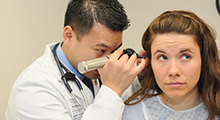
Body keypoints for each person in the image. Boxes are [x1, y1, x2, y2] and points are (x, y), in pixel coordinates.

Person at [5, 0, 147, 120]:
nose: (109, 61)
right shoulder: (33, 90)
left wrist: (138, 82)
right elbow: (108, 103)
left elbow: (117, 107)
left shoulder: (93, 74)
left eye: (115, 50)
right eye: (101, 51)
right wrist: (112, 90)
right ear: (69, 36)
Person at [122, 10, 220, 120]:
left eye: (185, 57)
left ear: (204, 59)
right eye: (163, 57)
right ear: (149, 62)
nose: (173, 71)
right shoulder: (132, 113)